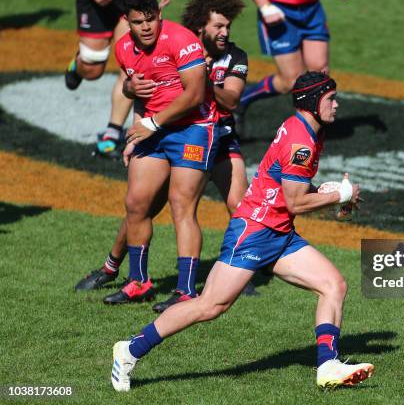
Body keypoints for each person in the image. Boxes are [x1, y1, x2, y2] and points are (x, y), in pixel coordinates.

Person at [110, 72, 374, 392]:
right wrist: (338, 196)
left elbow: (291, 186)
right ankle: (129, 350)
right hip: (255, 231)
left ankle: (327, 365)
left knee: (333, 284)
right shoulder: (301, 141)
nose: (337, 104)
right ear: (311, 101)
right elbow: (294, 201)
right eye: (330, 98)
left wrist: (326, 193)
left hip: (278, 232)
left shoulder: (307, 130)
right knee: (210, 306)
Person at [75, 0, 254, 309]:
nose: (145, 28)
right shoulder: (123, 48)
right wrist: (134, 125)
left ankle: (186, 290)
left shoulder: (182, 41)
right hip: (154, 130)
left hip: (194, 128)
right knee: (136, 203)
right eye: (137, 22)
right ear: (126, 23)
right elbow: (142, 93)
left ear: (159, 15)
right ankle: (138, 282)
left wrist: (152, 123)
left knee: (181, 204)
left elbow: (196, 94)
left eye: (150, 20)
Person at [64, 0, 170, 158]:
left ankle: (113, 132)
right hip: (96, 6)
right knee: (92, 68)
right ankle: (78, 65)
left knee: (133, 68)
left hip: (131, 1)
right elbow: (102, 0)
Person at [234, 0, 350, 135]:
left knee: (320, 71)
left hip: (311, 9)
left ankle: (309, 127)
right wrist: (264, 6)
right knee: (290, 81)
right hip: (278, 9)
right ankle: (243, 99)